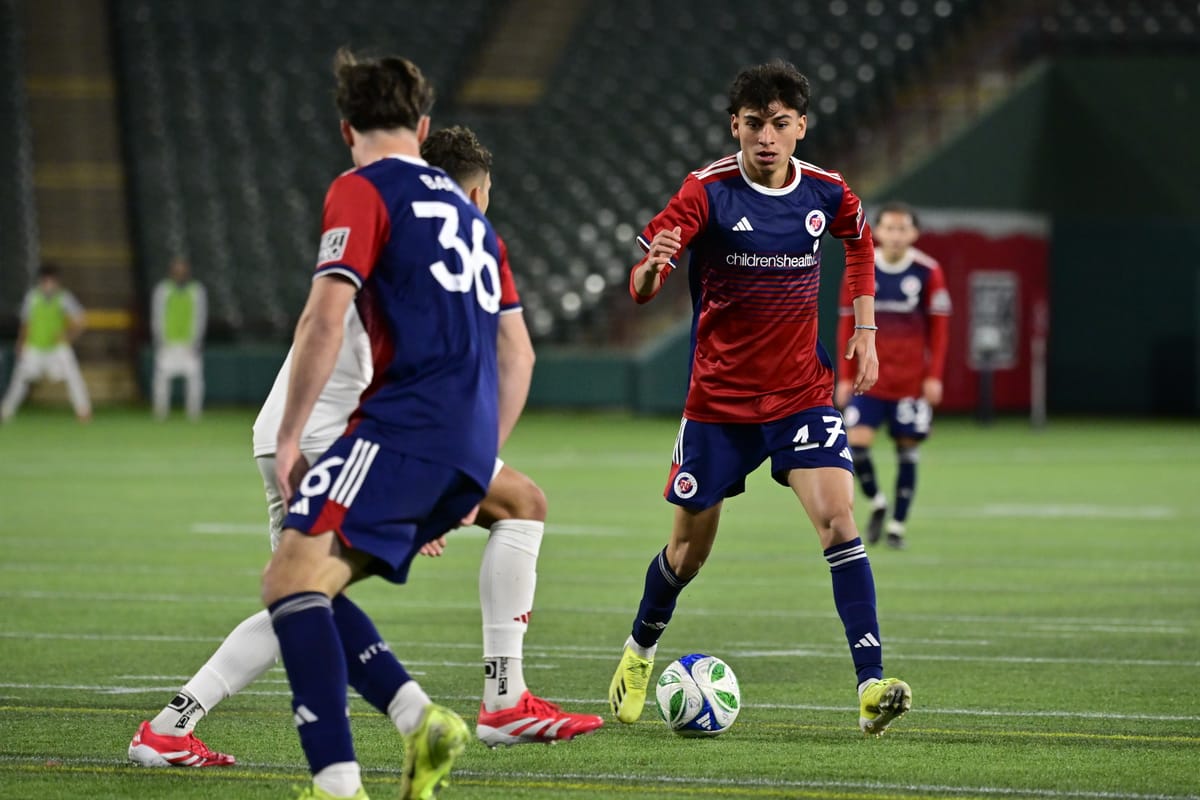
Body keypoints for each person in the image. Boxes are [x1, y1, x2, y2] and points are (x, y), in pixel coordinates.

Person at [127, 125, 600, 775]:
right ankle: (496, 701)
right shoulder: (435, 243)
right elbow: (424, 362)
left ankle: (170, 727)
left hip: (314, 430)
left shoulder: (398, 225)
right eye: (486, 193)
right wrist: (428, 484)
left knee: (303, 595)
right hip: (334, 434)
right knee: (516, 504)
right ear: (473, 193)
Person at [605, 60, 911, 738]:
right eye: (753, 125)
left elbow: (859, 244)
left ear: (800, 127)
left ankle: (870, 686)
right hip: (718, 403)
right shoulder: (706, 191)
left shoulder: (828, 191)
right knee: (687, 554)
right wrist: (651, 269)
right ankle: (640, 650)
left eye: (778, 124)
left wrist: (865, 329)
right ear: (734, 127)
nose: (765, 138)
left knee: (838, 521)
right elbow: (644, 284)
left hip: (801, 394)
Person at [835, 203, 951, 550]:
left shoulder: (928, 271)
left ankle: (898, 526)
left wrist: (934, 376)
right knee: (856, 445)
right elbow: (846, 324)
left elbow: (940, 330)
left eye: (902, 229)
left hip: (910, 382)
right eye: (889, 228)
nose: (896, 235)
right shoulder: (860, 269)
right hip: (868, 380)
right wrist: (844, 376)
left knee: (907, 451)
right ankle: (877, 501)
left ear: (914, 233)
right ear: (877, 231)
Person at [1, 264, 91, 423]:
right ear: (41, 281)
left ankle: (83, 410)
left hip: (57, 348)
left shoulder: (64, 297)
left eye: (52, 281)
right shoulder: (32, 297)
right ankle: (6, 411)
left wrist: (68, 336)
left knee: (73, 376)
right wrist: (21, 343)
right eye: (45, 281)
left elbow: (81, 319)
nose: (48, 284)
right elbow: (26, 323)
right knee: (19, 380)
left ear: (57, 282)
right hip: (34, 346)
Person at [151, 257, 207, 420]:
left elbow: (201, 316)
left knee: (195, 379)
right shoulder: (163, 290)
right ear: (171, 272)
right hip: (168, 343)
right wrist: (160, 340)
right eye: (177, 271)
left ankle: (194, 413)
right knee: (161, 380)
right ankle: (160, 412)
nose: (180, 274)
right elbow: (157, 316)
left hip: (189, 344)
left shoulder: (197, 290)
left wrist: (197, 341)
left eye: (182, 271)